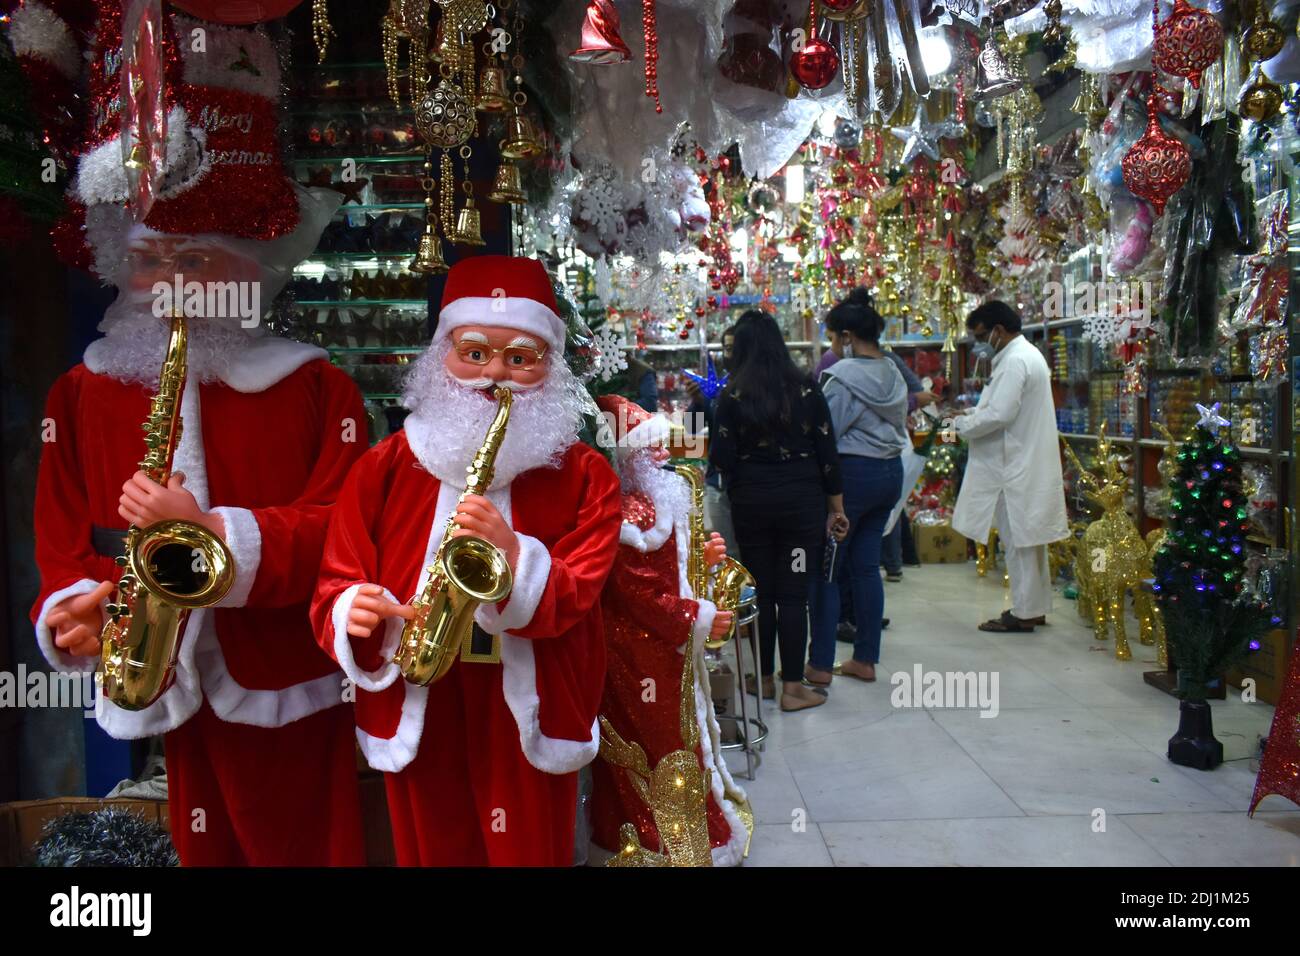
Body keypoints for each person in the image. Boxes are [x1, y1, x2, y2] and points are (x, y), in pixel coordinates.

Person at [27, 7, 367, 866]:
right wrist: (74, 604)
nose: (172, 285)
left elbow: (344, 527)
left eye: (197, 262)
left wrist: (213, 536)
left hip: (280, 675)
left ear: (244, 271)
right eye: (153, 261)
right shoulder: (82, 391)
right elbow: (61, 532)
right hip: (153, 671)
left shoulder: (315, 386)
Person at [311, 256, 624, 866]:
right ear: (441, 356)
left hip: (526, 702)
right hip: (419, 690)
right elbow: (334, 578)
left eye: (520, 358)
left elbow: (581, 590)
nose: (494, 376)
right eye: (474, 353)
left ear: (550, 367)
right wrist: (355, 607)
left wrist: (512, 555)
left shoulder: (584, 473)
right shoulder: (385, 465)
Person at [588, 395, 749, 867]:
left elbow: (669, 568)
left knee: (681, 738)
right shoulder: (624, 512)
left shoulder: (658, 496)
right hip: (638, 650)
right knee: (658, 742)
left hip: (668, 644)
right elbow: (636, 591)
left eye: (662, 444)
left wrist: (706, 560)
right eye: (650, 447)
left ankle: (693, 835)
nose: (663, 454)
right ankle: (662, 845)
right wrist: (695, 616)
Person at [709, 310, 842, 712]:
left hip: (752, 506)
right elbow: (827, 452)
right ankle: (792, 688)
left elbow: (723, 457)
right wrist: (836, 507)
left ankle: (763, 679)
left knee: (762, 592)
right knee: (794, 594)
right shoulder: (805, 390)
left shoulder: (732, 395)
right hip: (801, 509)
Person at [807, 289, 909, 686]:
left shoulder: (843, 378)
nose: (833, 347)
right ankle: (865, 658)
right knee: (867, 567)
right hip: (889, 474)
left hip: (851, 477)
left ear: (848, 337)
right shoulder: (893, 372)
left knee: (828, 570)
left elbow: (826, 434)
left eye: (834, 338)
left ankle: (819, 664)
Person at [953, 301, 1069, 632]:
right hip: (1023, 461)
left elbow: (999, 414)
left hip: (1014, 466)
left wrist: (962, 425)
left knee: (1019, 541)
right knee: (1030, 541)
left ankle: (1023, 613)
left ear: (998, 331)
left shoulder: (1016, 361)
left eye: (980, 335)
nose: (979, 343)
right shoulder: (1025, 356)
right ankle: (1034, 606)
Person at [685, 325, 738, 554]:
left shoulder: (759, 389)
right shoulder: (715, 392)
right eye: (726, 349)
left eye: (734, 348)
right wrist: (697, 401)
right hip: (718, 484)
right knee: (727, 554)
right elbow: (693, 428)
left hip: (751, 484)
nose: (730, 355)